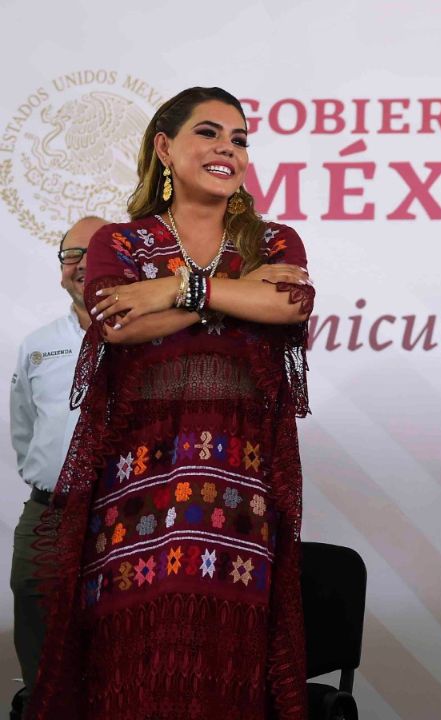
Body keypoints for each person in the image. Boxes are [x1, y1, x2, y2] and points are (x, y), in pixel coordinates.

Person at [26, 86, 315, 720]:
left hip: (237, 498)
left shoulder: (274, 243)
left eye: (239, 140)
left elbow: (286, 303)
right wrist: (227, 293)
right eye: (209, 134)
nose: (228, 150)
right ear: (164, 147)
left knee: (226, 667)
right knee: (133, 665)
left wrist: (174, 291)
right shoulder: (120, 243)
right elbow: (117, 322)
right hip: (136, 493)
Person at [9, 216, 105, 688]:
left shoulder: (155, 339)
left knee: (115, 640)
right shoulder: (38, 345)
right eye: (72, 255)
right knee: (40, 641)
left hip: (126, 516)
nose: (83, 265)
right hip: (48, 514)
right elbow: (25, 433)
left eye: (99, 252)